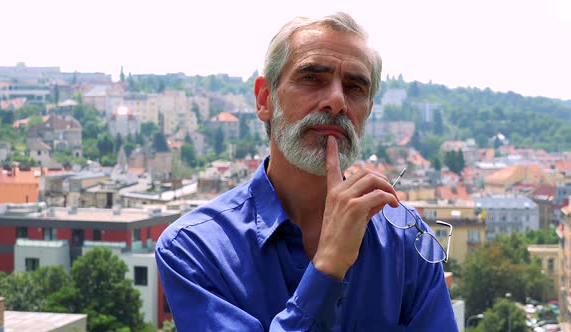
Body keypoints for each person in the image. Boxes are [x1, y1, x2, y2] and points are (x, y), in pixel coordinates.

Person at [156, 12, 458, 331]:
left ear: (367, 112)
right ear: (264, 100)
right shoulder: (195, 247)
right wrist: (328, 268)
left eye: (355, 87)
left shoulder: (404, 239)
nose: (336, 101)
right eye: (311, 78)